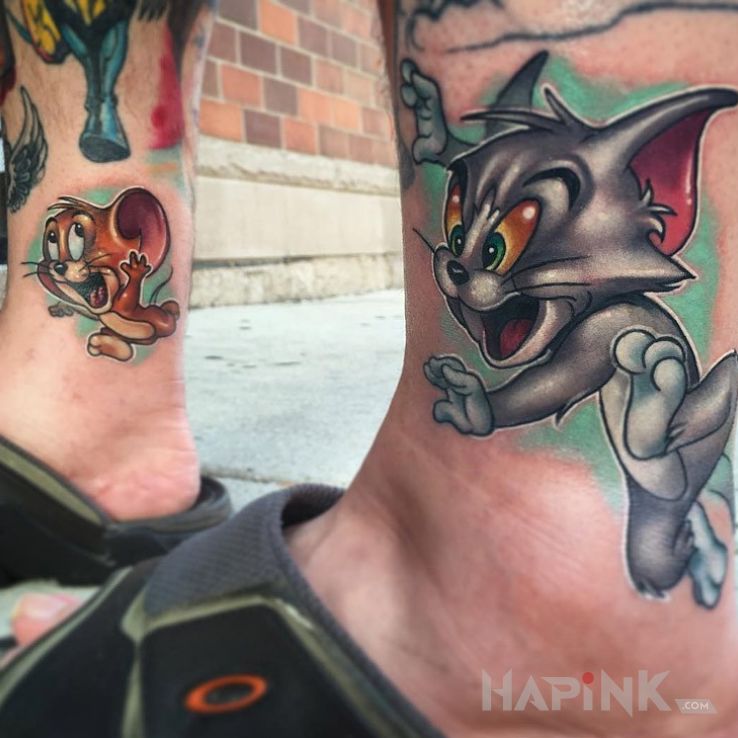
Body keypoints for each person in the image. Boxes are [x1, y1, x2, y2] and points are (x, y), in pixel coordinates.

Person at [2, 1, 738, 736]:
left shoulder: (615, 332)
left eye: (496, 249)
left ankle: (555, 569)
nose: (461, 269)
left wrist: (488, 412)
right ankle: (89, 421)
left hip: (649, 449)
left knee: (636, 460)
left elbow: (559, 377)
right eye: (461, 236)